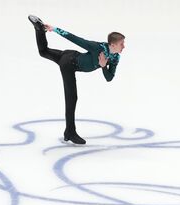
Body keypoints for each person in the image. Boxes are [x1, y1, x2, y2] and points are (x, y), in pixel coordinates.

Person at [28, 15, 125, 145]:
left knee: (43, 52)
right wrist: (55, 29)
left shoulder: (115, 58)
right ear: (113, 44)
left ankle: (39, 30)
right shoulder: (98, 47)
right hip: (69, 64)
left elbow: (109, 78)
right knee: (72, 97)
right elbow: (76, 39)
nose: (124, 46)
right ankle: (70, 132)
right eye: (121, 44)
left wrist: (103, 67)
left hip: (69, 56)